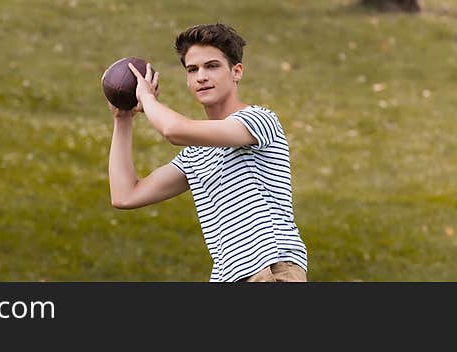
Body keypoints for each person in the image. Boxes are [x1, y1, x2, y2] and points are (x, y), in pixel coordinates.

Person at [106, 23, 308, 282]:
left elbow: (172, 130)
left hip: (271, 270)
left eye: (211, 66)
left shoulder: (259, 120)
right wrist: (123, 120)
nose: (201, 76)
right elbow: (125, 195)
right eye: (193, 69)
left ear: (236, 72)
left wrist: (147, 98)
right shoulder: (196, 155)